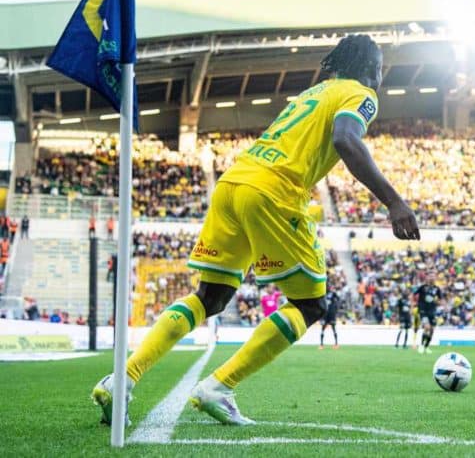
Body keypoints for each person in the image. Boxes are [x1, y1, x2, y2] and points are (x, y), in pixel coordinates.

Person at [91, 34, 420, 427]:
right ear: (368, 68)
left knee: (209, 299)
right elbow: (346, 139)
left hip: (233, 184)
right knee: (311, 304)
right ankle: (219, 386)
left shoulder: (314, 92)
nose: (380, 74)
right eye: (379, 66)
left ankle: (122, 379)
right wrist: (394, 201)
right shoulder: (360, 94)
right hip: (274, 190)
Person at [414, 275, 443, 354]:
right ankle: (421, 345)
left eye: (433, 277)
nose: (432, 278)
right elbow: (414, 294)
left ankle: (426, 346)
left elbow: (440, 300)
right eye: (430, 277)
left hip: (432, 311)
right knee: (427, 327)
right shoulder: (423, 287)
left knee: (432, 330)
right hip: (423, 310)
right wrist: (414, 304)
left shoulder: (437, 289)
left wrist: (436, 301)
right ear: (427, 279)